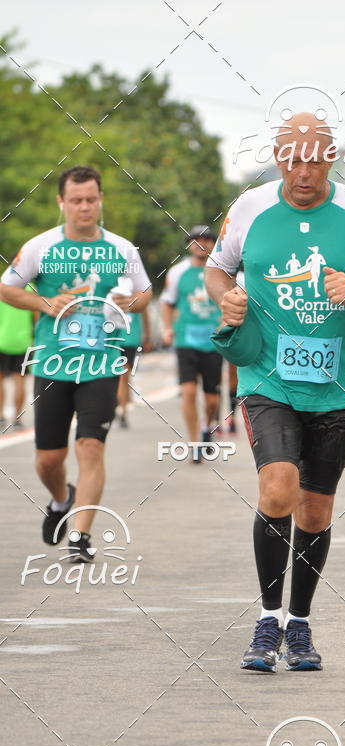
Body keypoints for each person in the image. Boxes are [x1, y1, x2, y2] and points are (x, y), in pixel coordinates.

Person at [205, 112, 345, 673]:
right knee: (278, 491)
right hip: (267, 378)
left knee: (315, 511)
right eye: (292, 159)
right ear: (277, 157)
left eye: (314, 159)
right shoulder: (249, 207)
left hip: (337, 386)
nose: (302, 171)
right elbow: (217, 269)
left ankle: (299, 624)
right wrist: (226, 298)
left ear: (331, 158)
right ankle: (267, 621)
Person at [0, 164, 151, 561]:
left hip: (102, 364)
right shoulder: (41, 247)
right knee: (49, 459)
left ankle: (80, 536)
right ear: (61, 202)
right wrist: (44, 302)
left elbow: (145, 293)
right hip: (53, 365)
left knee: (90, 446)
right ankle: (60, 498)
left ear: (101, 201)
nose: (84, 207)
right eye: (76, 200)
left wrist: (131, 303)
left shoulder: (122, 249)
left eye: (90, 200)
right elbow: (8, 288)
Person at [161, 227, 222, 459]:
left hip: (213, 342)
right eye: (196, 240)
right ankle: (194, 441)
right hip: (186, 339)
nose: (201, 244)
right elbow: (167, 302)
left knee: (212, 399)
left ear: (214, 244)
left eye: (206, 240)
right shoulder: (178, 272)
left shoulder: (222, 270)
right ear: (189, 245)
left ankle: (207, 425)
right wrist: (167, 328)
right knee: (188, 390)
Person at [0, 294, 34, 431]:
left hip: (1, 340)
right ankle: (17, 419)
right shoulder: (30, 290)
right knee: (19, 381)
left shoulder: (3, 289)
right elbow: (36, 318)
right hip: (23, 342)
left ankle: (1, 416)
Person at [116, 306, 152, 428]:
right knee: (121, 375)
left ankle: (122, 409)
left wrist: (147, 337)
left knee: (124, 375)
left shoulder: (137, 297)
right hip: (112, 339)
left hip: (129, 339)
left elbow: (145, 315)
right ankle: (121, 403)